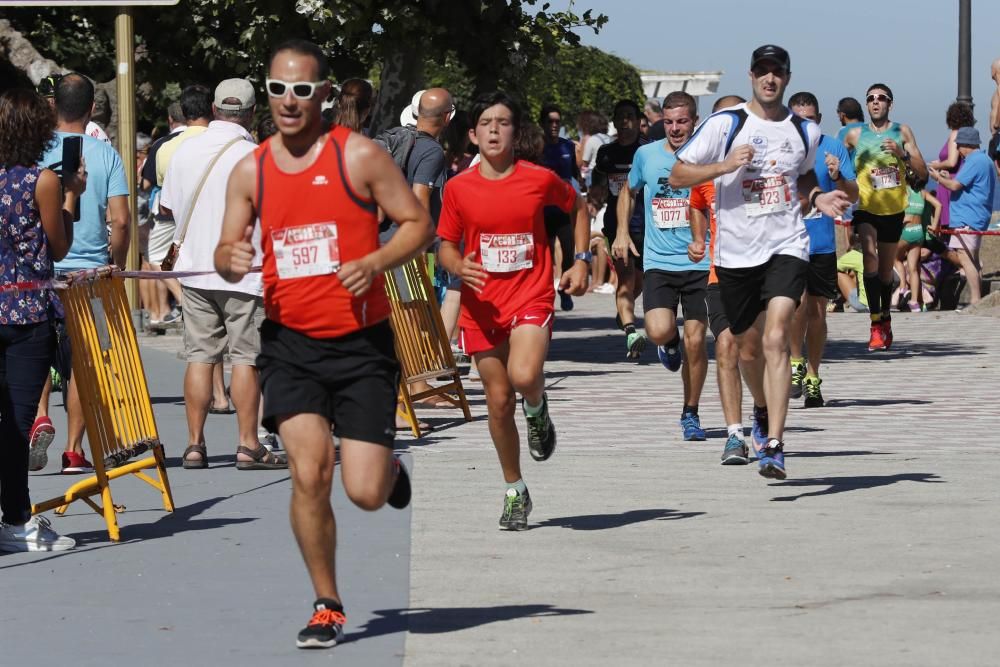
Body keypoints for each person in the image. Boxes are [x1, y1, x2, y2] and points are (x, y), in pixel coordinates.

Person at [214, 39, 431, 650]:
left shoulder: (357, 156)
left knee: (362, 493)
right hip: (289, 344)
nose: (289, 100)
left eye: (302, 89)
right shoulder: (250, 168)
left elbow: (418, 224)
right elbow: (229, 253)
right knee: (309, 473)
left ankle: (387, 472)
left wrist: (377, 260)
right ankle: (327, 603)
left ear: (325, 95)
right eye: (278, 88)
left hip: (362, 346)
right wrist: (227, 259)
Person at [671, 44, 850, 479]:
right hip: (736, 255)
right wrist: (724, 165)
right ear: (752, 75)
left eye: (778, 72)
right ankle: (763, 406)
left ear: (787, 78)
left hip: (787, 246)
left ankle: (774, 443)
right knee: (746, 349)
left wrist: (817, 195)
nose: (770, 79)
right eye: (763, 71)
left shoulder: (802, 130)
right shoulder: (726, 124)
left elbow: (805, 174)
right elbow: (678, 174)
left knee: (776, 338)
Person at [437, 91, 589, 530]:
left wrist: (580, 260)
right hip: (481, 306)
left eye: (503, 122)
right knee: (499, 404)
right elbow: (446, 244)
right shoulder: (458, 188)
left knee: (524, 377)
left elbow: (577, 206)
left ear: (514, 132)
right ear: (472, 134)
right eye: (486, 123)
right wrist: (456, 265)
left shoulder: (537, 179)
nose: (494, 130)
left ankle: (538, 407)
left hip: (530, 295)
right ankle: (515, 490)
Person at [160, 78, 286, 471]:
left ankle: (195, 445)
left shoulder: (184, 150)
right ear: (251, 113)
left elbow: (169, 210)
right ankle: (248, 444)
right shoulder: (260, 157)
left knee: (200, 356)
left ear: (214, 110)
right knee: (246, 358)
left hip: (197, 268)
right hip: (244, 271)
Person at [32, 73, 130, 475]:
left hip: (41, 272)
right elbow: (121, 221)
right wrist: (117, 266)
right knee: (84, 366)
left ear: (53, 105)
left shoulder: (33, 150)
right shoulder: (106, 153)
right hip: (89, 276)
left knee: (35, 354)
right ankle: (74, 450)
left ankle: (39, 416)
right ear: (91, 109)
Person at [0, 88, 83, 552]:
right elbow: (59, 247)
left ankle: (12, 515)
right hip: (27, 315)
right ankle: (15, 518)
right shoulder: (41, 182)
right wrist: (71, 199)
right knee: (15, 419)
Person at [614, 91, 711, 441]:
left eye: (682, 121)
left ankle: (691, 412)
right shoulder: (647, 155)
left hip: (701, 261)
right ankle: (668, 343)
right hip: (659, 261)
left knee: (697, 341)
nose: (674, 128)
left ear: (694, 121)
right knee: (657, 329)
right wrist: (622, 232)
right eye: (668, 122)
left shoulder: (707, 156)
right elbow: (627, 191)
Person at [843, 83, 928, 351]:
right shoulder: (855, 135)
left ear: (890, 103)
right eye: (871, 98)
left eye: (882, 98)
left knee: (884, 272)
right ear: (867, 104)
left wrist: (902, 154)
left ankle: (885, 321)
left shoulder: (902, 131)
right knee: (869, 257)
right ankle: (875, 323)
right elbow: (836, 163)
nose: (876, 102)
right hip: (866, 208)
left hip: (893, 211)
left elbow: (923, 172)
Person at [787, 92, 858, 409]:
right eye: (799, 119)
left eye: (812, 119)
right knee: (793, 307)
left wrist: (838, 176)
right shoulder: (778, 145)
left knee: (816, 311)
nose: (806, 125)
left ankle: (813, 379)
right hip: (786, 242)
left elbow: (853, 195)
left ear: (819, 119)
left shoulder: (833, 147)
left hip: (821, 242)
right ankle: (795, 363)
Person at [699, 94, 757, 465]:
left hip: (761, 274)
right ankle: (734, 434)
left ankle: (763, 413)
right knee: (725, 348)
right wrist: (696, 240)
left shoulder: (766, 164)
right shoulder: (705, 172)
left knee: (756, 353)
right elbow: (696, 210)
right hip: (720, 274)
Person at [591, 99, 647, 359]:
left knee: (639, 282)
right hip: (616, 226)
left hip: (647, 226)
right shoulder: (606, 153)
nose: (625, 123)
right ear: (614, 121)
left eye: (630, 117)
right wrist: (593, 200)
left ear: (638, 121)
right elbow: (599, 185)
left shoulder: (648, 150)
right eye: (620, 117)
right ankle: (630, 330)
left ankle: (623, 311)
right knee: (625, 277)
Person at [928, 127, 997, 305]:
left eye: (958, 146)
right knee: (972, 258)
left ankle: (975, 300)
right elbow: (963, 182)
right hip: (977, 216)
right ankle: (978, 300)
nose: (957, 150)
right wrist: (946, 177)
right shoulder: (985, 160)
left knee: (966, 258)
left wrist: (938, 178)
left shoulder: (973, 161)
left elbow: (955, 186)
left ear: (966, 145)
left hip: (967, 217)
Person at [539, 104, 582, 312]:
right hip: (542, 212)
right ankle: (545, 294)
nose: (554, 125)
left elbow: (575, 175)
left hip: (564, 211)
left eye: (557, 121)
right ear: (542, 124)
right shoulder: (537, 148)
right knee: (544, 257)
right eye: (550, 121)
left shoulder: (568, 146)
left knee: (567, 254)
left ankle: (564, 292)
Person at [928, 102, 975, 233]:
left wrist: (935, 166)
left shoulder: (955, 133)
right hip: (953, 180)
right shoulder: (965, 135)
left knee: (948, 228)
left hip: (948, 181)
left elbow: (952, 162)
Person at [896, 186, 941, 311]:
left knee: (895, 259)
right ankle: (915, 303)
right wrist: (935, 225)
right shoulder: (923, 193)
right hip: (918, 232)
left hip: (905, 230)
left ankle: (903, 286)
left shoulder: (903, 190)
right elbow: (938, 205)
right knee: (914, 269)